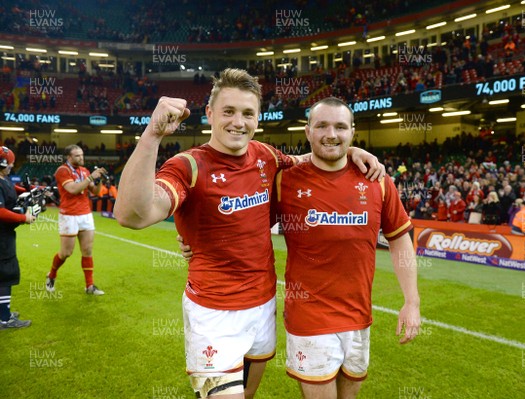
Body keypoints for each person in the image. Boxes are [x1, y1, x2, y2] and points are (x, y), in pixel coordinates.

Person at [113, 69, 384, 399]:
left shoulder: (266, 156)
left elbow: (311, 160)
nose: (237, 122)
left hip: (262, 306)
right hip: (213, 314)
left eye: (247, 113)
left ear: (258, 118)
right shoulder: (189, 167)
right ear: (210, 113)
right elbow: (131, 214)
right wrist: (152, 135)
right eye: (228, 112)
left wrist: (351, 153)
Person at [275, 97, 420, 398]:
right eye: (322, 126)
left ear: (352, 132)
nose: (332, 134)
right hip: (308, 315)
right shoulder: (285, 181)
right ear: (307, 131)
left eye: (341, 127)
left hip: (357, 315)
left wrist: (412, 302)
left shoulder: (376, 180)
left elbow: (399, 239)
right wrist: (193, 240)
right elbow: (244, 222)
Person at [45, 145, 107, 296]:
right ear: (69, 157)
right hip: (69, 215)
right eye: (77, 156)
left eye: (82, 155)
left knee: (87, 250)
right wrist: (91, 177)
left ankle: (89, 286)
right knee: (66, 252)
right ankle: (51, 275)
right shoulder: (62, 171)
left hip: (85, 213)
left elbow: (96, 192)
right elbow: (72, 189)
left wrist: (99, 180)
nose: (81, 158)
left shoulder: (84, 171)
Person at [0, 146, 36, 329]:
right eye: (10, 163)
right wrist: (24, 217)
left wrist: (28, 190)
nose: (11, 167)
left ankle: (2, 312)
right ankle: (4, 319)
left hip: (4, 233)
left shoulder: (2, 178)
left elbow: (10, 187)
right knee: (6, 274)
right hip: (2, 236)